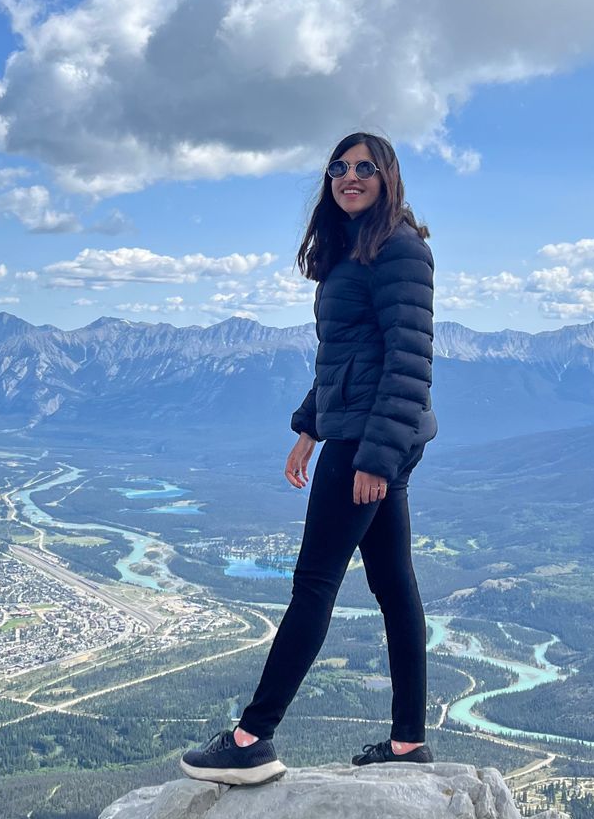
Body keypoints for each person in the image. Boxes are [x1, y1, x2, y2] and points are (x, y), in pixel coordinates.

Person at [181, 131, 438, 785]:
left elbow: (408, 362)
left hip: (373, 441)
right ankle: (409, 742)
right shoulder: (356, 249)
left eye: (364, 167)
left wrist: (373, 458)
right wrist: (309, 427)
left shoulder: (399, 249)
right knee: (392, 586)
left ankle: (251, 738)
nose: (349, 176)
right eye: (338, 167)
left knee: (314, 583)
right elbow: (349, 359)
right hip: (363, 432)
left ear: (388, 177)